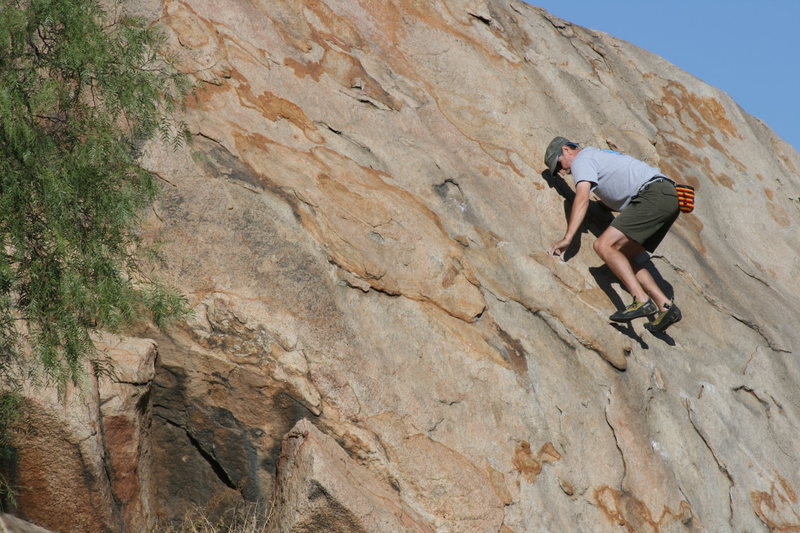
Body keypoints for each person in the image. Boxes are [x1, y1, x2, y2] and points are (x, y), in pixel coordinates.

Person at [544, 136, 682, 333]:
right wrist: (604, 205)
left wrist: (568, 238)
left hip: (653, 195)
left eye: (559, 166)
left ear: (566, 150)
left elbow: (582, 197)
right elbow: (620, 185)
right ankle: (665, 307)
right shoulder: (598, 156)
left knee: (603, 246)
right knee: (622, 255)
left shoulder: (582, 159)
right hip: (667, 197)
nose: (563, 172)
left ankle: (640, 300)